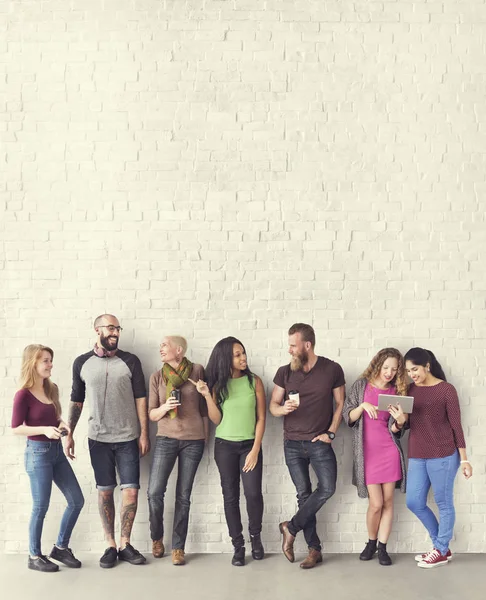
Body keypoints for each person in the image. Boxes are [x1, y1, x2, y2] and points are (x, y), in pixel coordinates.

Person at [65, 314, 150, 569]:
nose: (115, 332)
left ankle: (125, 544)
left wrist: (144, 433)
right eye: (110, 328)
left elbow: (141, 399)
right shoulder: (82, 362)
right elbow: (76, 399)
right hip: (97, 439)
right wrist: (69, 432)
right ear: (97, 330)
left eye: (117, 328)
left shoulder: (131, 361)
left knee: (131, 491)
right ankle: (110, 545)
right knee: (104, 492)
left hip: (127, 438)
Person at [270, 323, 345, 569]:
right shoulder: (284, 372)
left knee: (327, 488)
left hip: (319, 442)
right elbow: (273, 405)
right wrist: (283, 409)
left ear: (307, 345)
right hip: (292, 444)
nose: (289, 349)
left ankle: (290, 528)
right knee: (304, 494)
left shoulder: (332, 369)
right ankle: (314, 550)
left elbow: (340, 403)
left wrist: (331, 433)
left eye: (293, 345)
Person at [193, 337, 266, 567]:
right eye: (237, 354)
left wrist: (255, 449)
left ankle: (256, 537)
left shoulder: (255, 382)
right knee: (230, 496)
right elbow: (216, 419)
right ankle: (238, 545)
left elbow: (262, 417)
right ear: (226, 358)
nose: (243, 357)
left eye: (243, 353)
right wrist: (206, 394)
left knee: (253, 494)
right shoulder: (218, 386)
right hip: (225, 447)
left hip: (249, 446)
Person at [11, 344, 84, 572]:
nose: (50, 364)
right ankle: (34, 556)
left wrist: (62, 425)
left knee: (76, 500)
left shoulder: (51, 388)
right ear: (33, 363)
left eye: (50, 360)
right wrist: (43, 429)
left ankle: (60, 548)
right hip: (38, 455)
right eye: (45, 360)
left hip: (57, 453)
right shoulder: (23, 394)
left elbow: (56, 416)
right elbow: (15, 428)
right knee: (40, 506)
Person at [399, 348, 472, 569]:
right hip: (418, 454)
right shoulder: (410, 390)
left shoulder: (446, 390)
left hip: (443, 454)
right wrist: (401, 419)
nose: (412, 374)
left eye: (415, 369)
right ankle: (441, 546)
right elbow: (410, 423)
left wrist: (465, 459)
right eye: (408, 370)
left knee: (443, 503)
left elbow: (456, 425)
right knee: (414, 501)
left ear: (427, 366)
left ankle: (440, 550)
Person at [343, 348, 408, 566]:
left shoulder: (396, 392)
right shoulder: (361, 386)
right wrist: (362, 406)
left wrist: (400, 421)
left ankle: (382, 547)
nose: (389, 372)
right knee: (376, 504)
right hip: (367, 453)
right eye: (386, 367)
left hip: (389, 451)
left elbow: (398, 430)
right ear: (378, 364)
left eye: (394, 369)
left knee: (388, 502)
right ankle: (370, 542)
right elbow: (348, 418)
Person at [147, 336, 208, 566]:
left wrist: (204, 437)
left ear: (178, 349)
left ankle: (178, 547)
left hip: (194, 441)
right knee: (154, 492)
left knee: (183, 496)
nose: (160, 348)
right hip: (165, 439)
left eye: (165, 345)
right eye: (160, 345)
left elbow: (204, 409)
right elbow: (152, 414)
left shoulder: (197, 371)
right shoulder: (157, 376)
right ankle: (156, 538)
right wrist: (166, 407)